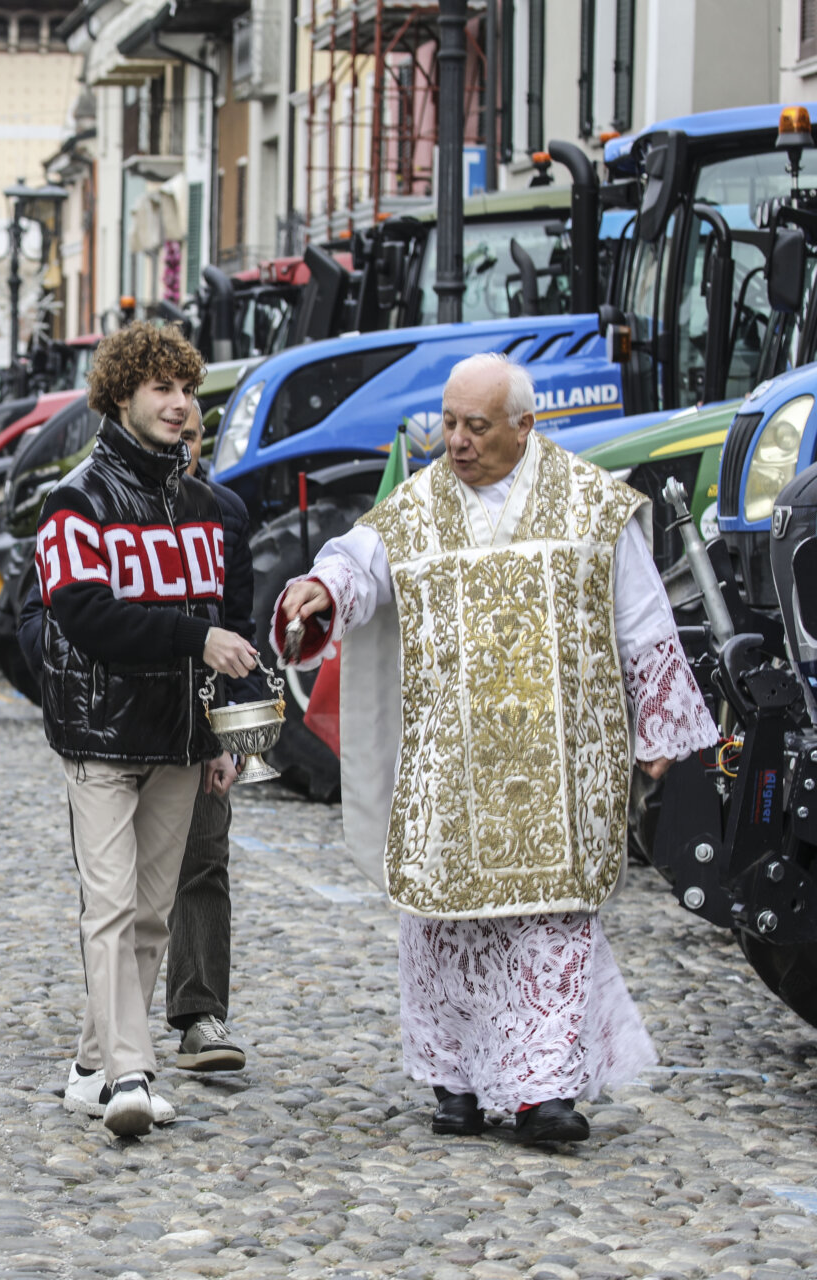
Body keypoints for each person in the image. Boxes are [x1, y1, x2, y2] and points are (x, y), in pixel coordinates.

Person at [274, 352, 719, 1143]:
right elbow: (358, 564)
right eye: (447, 423)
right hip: (451, 767)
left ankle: (544, 1093)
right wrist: (320, 591)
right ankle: (455, 1084)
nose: (457, 442)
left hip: (561, 768)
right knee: (448, 926)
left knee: (548, 928)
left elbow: (644, 620)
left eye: (476, 426)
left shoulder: (592, 507)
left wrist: (660, 724)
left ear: (525, 426)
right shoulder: (418, 507)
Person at [19, 323, 256, 1137]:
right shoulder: (75, 499)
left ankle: (90, 1066)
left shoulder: (203, 506)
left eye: (187, 390)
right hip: (100, 732)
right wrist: (197, 640)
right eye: (162, 388)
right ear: (121, 396)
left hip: (182, 738)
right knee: (111, 906)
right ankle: (130, 1071)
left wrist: (224, 736)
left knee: (152, 913)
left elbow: (223, 623)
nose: (180, 404)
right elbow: (86, 615)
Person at [163, 404, 257, 1074]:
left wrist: (237, 733)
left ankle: (200, 1015)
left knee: (202, 863)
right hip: (118, 720)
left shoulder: (225, 511)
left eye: (193, 435)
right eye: (172, 433)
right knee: (121, 887)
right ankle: (109, 1032)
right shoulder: (93, 499)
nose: (182, 445)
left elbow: (241, 624)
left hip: (200, 721)